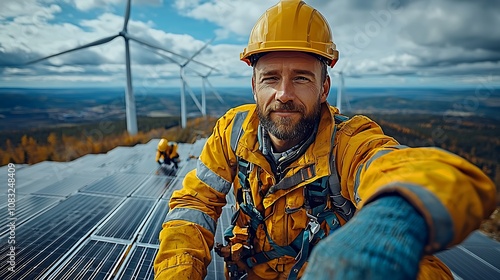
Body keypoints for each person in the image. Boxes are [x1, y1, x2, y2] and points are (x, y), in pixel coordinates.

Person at [154, 1, 496, 279]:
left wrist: (395, 213)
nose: (284, 94)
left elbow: (421, 170)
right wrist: (178, 273)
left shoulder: (348, 142)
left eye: (301, 78)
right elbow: (194, 204)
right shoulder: (233, 129)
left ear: (324, 89)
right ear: (254, 86)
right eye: (271, 78)